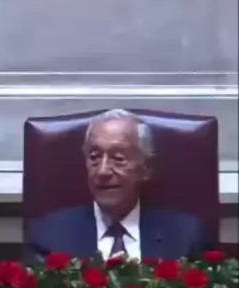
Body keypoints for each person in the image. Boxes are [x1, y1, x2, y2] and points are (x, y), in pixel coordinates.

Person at [26, 109, 212, 262]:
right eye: (94, 157)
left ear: (146, 168)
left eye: (118, 158)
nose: (102, 171)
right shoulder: (49, 237)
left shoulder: (185, 238)